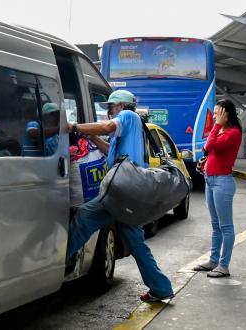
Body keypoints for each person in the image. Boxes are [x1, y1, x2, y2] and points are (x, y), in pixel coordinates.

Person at [66, 89, 174, 302]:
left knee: (85, 217)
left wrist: (73, 126)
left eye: (111, 107)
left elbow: (107, 126)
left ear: (121, 106)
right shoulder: (127, 129)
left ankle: (55, 265)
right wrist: (93, 136)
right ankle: (161, 288)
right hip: (130, 192)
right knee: (136, 243)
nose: (109, 112)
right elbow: (110, 152)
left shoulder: (127, 116)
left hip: (123, 191)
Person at [192, 100, 242, 278]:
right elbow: (208, 149)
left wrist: (217, 126)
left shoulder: (233, 133)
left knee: (225, 226)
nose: (214, 116)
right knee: (215, 226)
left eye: (217, 113)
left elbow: (209, 146)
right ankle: (213, 260)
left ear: (226, 114)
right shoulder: (221, 130)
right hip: (210, 180)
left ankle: (224, 265)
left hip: (222, 182)